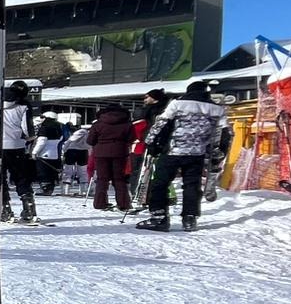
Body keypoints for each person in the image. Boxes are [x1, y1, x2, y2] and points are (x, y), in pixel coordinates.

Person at [137, 81, 229, 232]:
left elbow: (161, 123)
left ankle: (159, 217)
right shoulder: (217, 108)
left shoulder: (177, 103)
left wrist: (150, 144)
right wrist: (220, 152)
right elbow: (225, 133)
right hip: (197, 153)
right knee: (192, 185)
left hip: (173, 151)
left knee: (160, 183)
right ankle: (189, 218)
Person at [0, 81, 37, 222]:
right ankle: (29, 208)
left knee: (0, 179)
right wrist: (28, 138)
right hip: (17, 146)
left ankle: (4, 209)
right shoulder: (23, 106)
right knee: (21, 177)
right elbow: (27, 128)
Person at [87, 103, 133, 211]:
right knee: (119, 179)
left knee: (102, 179)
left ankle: (100, 203)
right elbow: (131, 138)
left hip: (101, 153)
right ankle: (123, 204)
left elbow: (90, 140)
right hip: (120, 152)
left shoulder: (98, 124)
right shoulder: (127, 124)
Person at [32, 111, 64, 194]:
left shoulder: (44, 127)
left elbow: (42, 141)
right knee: (52, 172)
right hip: (55, 153)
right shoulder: (59, 127)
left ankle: (45, 188)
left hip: (44, 153)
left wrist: (34, 152)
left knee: (43, 172)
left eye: (42, 117)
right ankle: (50, 188)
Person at [62, 119, 91, 192]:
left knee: (68, 169)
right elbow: (90, 144)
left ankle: (66, 189)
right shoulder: (87, 133)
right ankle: (83, 189)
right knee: (83, 170)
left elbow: (69, 141)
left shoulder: (78, 133)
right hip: (83, 151)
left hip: (72, 151)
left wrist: (64, 151)